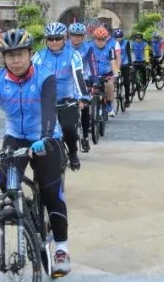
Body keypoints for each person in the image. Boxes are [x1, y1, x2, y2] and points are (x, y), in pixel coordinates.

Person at [0, 29, 72, 277]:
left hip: (46, 136)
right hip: (15, 136)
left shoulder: (45, 76)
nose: (16, 60)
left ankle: (61, 248)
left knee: (51, 190)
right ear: (3, 58)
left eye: (21, 54)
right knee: (4, 181)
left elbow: (49, 110)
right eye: (10, 56)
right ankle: (26, 211)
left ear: (30, 54)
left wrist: (45, 137)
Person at [33, 22, 88, 171]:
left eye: (58, 38)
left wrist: (83, 96)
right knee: (39, 133)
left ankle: (72, 153)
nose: (54, 42)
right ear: (46, 40)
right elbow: (31, 77)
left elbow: (78, 75)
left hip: (67, 99)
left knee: (69, 129)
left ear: (65, 38)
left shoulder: (73, 54)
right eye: (50, 39)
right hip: (45, 101)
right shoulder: (39, 56)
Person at [68, 23, 96, 151]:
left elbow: (92, 63)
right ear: (69, 35)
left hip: (84, 79)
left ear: (83, 36)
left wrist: (95, 80)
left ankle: (84, 136)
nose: (77, 38)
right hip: (68, 80)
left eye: (79, 36)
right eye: (74, 35)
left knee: (84, 108)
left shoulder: (88, 47)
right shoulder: (64, 46)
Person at [89, 26, 119, 117]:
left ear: (106, 39)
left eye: (103, 39)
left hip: (106, 73)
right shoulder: (90, 47)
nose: (100, 41)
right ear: (94, 39)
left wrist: (115, 74)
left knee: (109, 84)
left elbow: (113, 62)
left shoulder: (110, 49)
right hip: (93, 74)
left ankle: (109, 104)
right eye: (98, 39)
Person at [113, 28, 133, 108]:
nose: (118, 38)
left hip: (125, 63)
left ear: (122, 36)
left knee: (126, 82)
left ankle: (127, 99)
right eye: (117, 37)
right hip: (116, 64)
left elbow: (128, 53)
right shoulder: (113, 43)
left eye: (120, 37)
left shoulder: (126, 42)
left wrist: (130, 63)